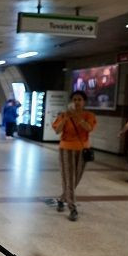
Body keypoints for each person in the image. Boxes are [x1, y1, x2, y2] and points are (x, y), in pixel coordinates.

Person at [51, 91, 97, 222]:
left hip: (82, 150)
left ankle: (61, 199)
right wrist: (66, 118)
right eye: (75, 99)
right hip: (66, 149)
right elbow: (57, 130)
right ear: (71, 101)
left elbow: (88, 128)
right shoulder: (64, 115)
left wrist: (77, 117)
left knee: (75, 179)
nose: (77, 102)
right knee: (68, 178)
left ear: (84, 102)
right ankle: (72, 207)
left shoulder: (89, 115)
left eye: (80, 99)